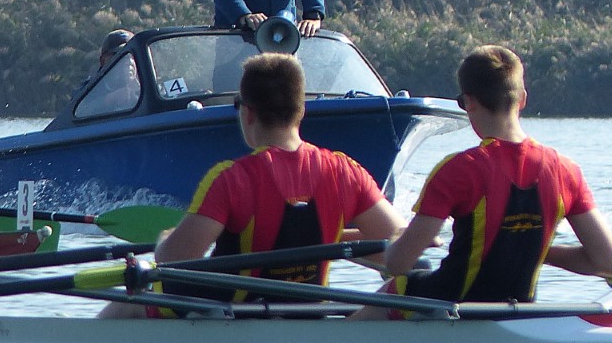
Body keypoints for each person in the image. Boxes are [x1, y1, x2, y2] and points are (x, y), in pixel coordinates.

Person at [98, 53, 403, 317]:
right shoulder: (345, 171)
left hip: (236, 316)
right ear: (301, 110)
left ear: (247, 112)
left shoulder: (230, 178)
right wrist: (329, 238)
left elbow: (174, 259)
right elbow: (404, 242)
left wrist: (165, 239)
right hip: (309, 315)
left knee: (130, 302)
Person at [356, 45, 612, 318]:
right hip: (519, 312)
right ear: (522, 99)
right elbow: (609, 263)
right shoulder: (566, 170)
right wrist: (531, 248)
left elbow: (399, 263)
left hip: (453, 307)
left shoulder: (458, 170)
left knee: (395, 286)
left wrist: (397, 240)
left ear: (469, 102)